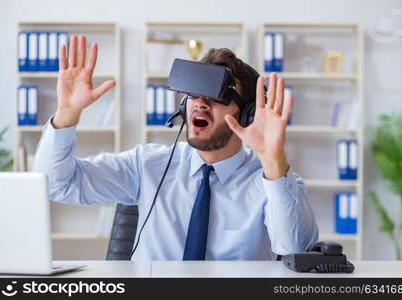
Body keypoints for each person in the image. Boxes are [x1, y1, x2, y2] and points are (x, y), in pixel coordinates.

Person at [34, 35, 318, 260]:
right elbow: (58, 185)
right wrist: (66, 114)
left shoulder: (273, 181)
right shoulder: (147, 164)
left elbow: (296, 250)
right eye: (194, 92)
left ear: (248, 115)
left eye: (219, 95)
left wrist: (272, 159)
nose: (201, 103)